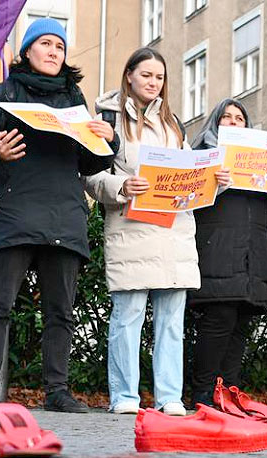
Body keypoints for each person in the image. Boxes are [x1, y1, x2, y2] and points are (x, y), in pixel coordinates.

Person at [0, 18, 118, 412]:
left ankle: (57, 391)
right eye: (46, 44)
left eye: (60, 47)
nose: (54, 52)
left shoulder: (76, 100)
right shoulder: (1, 94)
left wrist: (108, 141)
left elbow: (89, 164)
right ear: (28, 51)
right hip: (14, 213)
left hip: (64, 217)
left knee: (60, 312)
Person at [84, 47, 230, 415]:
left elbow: (190, 179)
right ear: (129, 75)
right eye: (147, 75)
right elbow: (88, 174)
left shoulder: (173, 125)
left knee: (171, 322)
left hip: (174, 233)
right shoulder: (107, 120)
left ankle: (169, 398)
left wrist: (217, 182)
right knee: (127, 317)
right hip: (131, 230)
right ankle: (125, 397)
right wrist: (120, 187)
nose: (154, 82)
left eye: (160, 77)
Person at [187, 99, 267, 407]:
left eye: (239, 118)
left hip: (254, 253)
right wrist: (212, 180)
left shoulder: (261, 157)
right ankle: (203, 391)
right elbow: (189, 198)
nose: (233, 122)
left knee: (242, 322)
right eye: (226, 117)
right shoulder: (201, 156)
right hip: (217, 248)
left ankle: (229, 391)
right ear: (215, 123)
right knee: (219, 317)